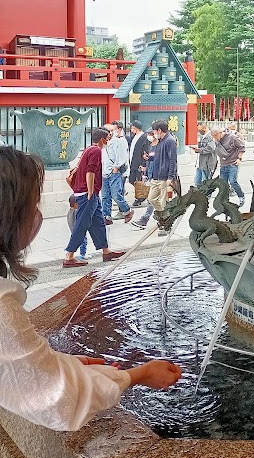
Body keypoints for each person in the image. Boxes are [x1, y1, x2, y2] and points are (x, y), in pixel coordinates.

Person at [0, 145, 182, 431]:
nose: (38, 216)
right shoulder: (3, 310)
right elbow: (55, 398)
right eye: (33, 206)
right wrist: (137, 375)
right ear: (10, 216)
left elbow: (19, 366)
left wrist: (65, 363)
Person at [64, 129, 127, 267]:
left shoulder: (89, 149)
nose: (109, 140)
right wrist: (91, 191)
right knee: (82, 224)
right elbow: (90, 172)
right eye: (108, 138)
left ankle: (106, 251)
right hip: (87, 194)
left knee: (98, 222)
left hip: (87, 193)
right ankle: (69, 255)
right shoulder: (96, 151)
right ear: (102, 139)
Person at [101, 122, 133, 225]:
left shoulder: (118, 142)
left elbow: (122, 157)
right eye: (108, 131)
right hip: (104, 172)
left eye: (112, 130)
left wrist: (116, 168)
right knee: (105, 196)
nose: (110, 133)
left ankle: (127, 210)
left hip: (115, 173)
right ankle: (106, 216)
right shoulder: (102, 143)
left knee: (116, 195)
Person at [147, 120, 177, 224]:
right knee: (151, 199)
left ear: (159, 130)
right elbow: (158, 156)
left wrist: (170, 177)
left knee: (164, 201)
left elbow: (172, 160)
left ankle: (166, 220)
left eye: (154, 131)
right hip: (156, 176)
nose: (153, 133)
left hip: (164, 177)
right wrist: (149, 158)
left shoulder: (170, 141)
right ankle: (164, 215)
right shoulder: (160, 141)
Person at [131, 131, 160, 232]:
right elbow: (150, 162)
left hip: (159, 177)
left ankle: (146, 219)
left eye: (152, 134)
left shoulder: (161, 146)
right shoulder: (151, 146)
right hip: (152, 176)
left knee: (153, 199)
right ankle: (147, 219)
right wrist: (146, 174)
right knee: (153, 200)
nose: (150, 136)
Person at [212, 126, 246, 207]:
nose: (214, 138)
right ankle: (225, 200)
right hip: (223, 164)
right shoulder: (216, 141)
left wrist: (239, 158)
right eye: (213, 136)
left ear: (220, 133)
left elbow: (242, 146)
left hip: (232, 163)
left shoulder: (232, 138)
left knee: (233, 181)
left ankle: (241, 196)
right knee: (223, 184)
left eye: (215, 136)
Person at [128, 120, 148, 206]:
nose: (131, 129)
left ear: (136, 128)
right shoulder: (133, 136)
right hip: (132, 162)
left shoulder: (144, 137)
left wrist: (144, 164)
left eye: (132, 127)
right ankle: (142, 195)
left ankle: (140, 198)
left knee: (139, 182)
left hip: (139, 163)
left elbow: (145, 151)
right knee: (132, 180)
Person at [66, 195, 87, 261]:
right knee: (83, 241)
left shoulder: (70, 211)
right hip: (79, 230)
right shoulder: (77, 212)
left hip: (73, 229)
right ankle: (82, 254)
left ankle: (69, 252)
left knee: (73, 241)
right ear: (76, 204)